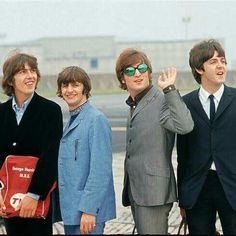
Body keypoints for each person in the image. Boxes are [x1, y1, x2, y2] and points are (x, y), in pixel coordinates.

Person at [115, 48, 193, 234]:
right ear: (122, 78)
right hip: (137, 191)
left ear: (149, 72)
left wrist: (170, 89)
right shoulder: (135, 103)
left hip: (154, 193)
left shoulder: (161, 100)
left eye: (142, 68)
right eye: (130, 71)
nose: (138, 74)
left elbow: (185, 125)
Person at [177, 39, 236, 234]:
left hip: (232, 185)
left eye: (223, 61)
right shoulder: (185, 103)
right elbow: (183, 155)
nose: (221, 66)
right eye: (213, 62)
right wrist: (183, 198)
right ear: (199, 69)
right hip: (198, 189)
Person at [0, 52, 63, 234]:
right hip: (8, 200)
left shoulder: (50, 111)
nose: (30, 76)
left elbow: (51, 156)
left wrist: (34, 194)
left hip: (36, 200)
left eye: (33, 70)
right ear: (11, 80)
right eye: (22, 72)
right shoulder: (2, 112)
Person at [57, 66, 116, 235]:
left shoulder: (95, 120)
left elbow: (100, 169)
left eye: (75, 85)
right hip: (72, 211)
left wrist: (90, 210)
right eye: (65, 86)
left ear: (85, 88)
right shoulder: (73, 119)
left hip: (87, 214)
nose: (69, 90)